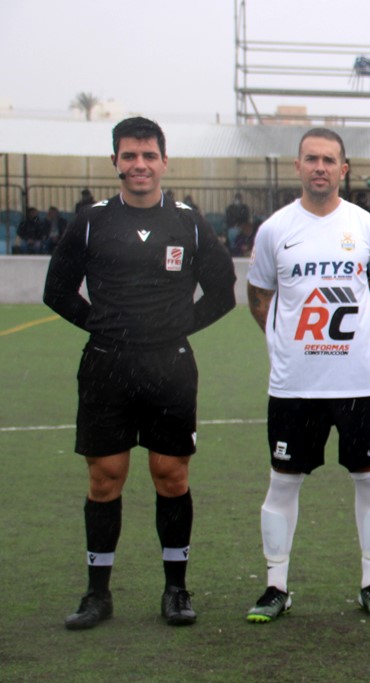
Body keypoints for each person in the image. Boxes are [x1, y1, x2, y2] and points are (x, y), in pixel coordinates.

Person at [43, 116, 237, 630]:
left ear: (164, 162)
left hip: (169, 366)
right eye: (129, 156)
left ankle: (175, 589)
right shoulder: (91, 221)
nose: (140, 165)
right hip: (106, 366)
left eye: (149, 155)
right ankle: (97, 594)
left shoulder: (188, 223)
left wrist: (178, 327)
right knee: (105, 478)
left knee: (171, 476)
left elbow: (223, 292)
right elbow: (56, 291)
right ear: (115, 162)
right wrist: (102, 326)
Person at [245, 127, 370, 623]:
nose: (319, 167)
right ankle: (276, 587)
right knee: (283, 482)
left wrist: (359, 344)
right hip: (295, 385)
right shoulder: (275, 230)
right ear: (298, 166)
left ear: (343, 169)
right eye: (311, 158)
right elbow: (259, 297)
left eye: (329, 160)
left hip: (358, 383)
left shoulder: (366, 227)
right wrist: (286, 345)